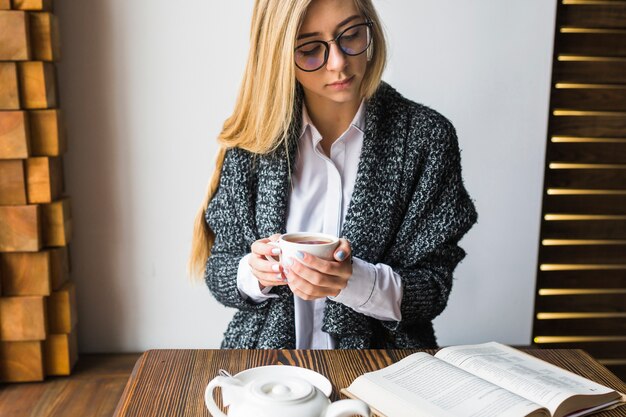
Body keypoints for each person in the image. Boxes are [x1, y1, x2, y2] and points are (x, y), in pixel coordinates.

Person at [189, 0, 477, 349]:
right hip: (266, 373)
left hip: (385, 371)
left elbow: (433, 287)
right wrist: (254, 273)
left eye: (352, 35)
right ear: (277, 53)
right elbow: (219, 269)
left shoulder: (427, 139)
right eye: (310, 50)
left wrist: (354, 281)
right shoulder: (254, 143)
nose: (339, 63)